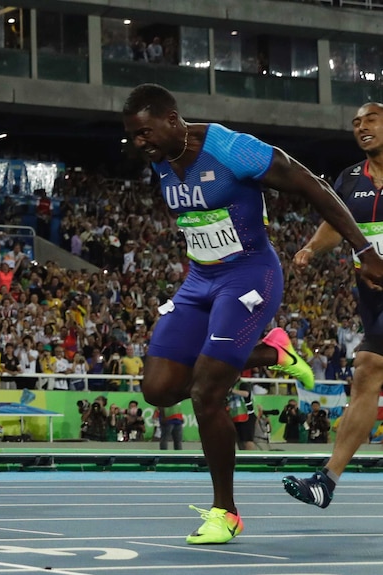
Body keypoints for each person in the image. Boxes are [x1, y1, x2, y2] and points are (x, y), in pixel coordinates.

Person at [121, 83, 383, 544]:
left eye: (144, 133)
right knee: (159, 390)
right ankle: (272, 353)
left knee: (206, 392)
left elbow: (313, 187)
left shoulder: (230, 148)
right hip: (199, 280)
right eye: (133, 137)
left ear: (172, 119)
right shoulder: (160, 160)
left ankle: (226, 512)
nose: (139, 144)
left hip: (250, 277)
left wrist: (363, 249)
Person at [283, 102, 383, 509]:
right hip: (371, 295)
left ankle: (327, 479)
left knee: (367, 368)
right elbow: (335, 225)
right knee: (368, 378)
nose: (361, 127)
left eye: (371, 119)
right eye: (356, 123)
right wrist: (311, 247)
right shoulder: (348, 178)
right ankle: (327, 481)